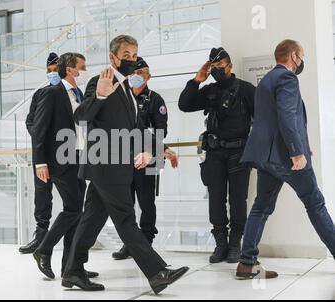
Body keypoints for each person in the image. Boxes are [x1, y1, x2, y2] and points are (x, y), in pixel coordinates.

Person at [62, 35, 188, 294]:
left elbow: (139, 128)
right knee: (127, 220)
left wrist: (161, 149)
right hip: (107, 165)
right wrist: (98, 96)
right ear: (113, 57)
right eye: (126, 55)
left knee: (92, 219)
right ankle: (157, 273)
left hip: (110, 167)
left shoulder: (128, 89)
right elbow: (81, 116)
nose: (131, 60)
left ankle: (73, 271)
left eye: (134, 55)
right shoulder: (102, 82)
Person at [236, 40, 335, 280]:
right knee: (315, 202)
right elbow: (287, 115)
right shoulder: (288, 78)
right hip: (285, 157)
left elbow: (273, 120)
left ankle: (246, 263)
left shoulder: (267, 80)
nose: (301, 61)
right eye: (301, 56)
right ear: (293, 55)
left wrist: (303, 143)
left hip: (266, 157)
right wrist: (296, 151)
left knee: (261, 206)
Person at [178, 48, 256, 264]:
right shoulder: (209, 90)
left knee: (238, 199)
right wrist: (196, 81)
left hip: (239, 152)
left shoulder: (246, 90)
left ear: (230, 66)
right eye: (213, 67)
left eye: (220, 66)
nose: (216, 71)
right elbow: (184, 105)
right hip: (214, 152)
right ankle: (220, 243)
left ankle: (234, 244)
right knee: (216, 199)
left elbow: (260, 120)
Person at [31, 53, 97, 280]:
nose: (85, 70)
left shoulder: (79, 94)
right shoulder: (52, 93)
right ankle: (43, 249)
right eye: (82, 66)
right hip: (59, 160)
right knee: (73, 208)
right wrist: (40, 161)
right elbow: (38, 129)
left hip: (79, 158)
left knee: (77, 213)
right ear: (70, 69)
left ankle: (70, 267)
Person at [112, 57, 176, 260]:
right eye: (135, 73)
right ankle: (129, 243)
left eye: (143, 73)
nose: (138, 76)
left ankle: (146, 241)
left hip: (149, 156)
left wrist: (154, 151)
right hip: (125, 157)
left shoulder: (155, 100)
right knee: (126, 202)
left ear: (149, 76)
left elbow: (160, 131)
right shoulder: (122, 98)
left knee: (147, 202)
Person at [20, 52, 60, 254]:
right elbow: (30, 121)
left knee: (73, 199)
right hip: (42, 154)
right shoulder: (41, 93)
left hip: (64, 154)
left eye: (56, 70)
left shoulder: (69, 93)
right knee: (42, 196)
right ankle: (41, 237)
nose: (52, 74)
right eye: (50, 71)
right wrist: (41, 136)